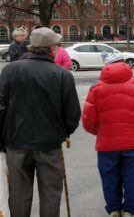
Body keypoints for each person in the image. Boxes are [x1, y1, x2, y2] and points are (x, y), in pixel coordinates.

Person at [0, 27, 81, 217]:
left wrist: (3, 140)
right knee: (51, 194)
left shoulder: (10, 70)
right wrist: (62, 133)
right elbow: (72, 115)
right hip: (48, 145)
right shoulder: (62, 75)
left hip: (16, 143)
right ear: (52, 49)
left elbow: (0, 108)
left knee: (18, 194)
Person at [82, 53, 134, 217]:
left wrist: (100, 132)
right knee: (131, 176)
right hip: (133, 142)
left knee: (109, 177)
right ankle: (131, 210)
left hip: (106, 143)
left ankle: (114, 209)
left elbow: (88, 120)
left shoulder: (96, 88)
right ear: (125, 65)